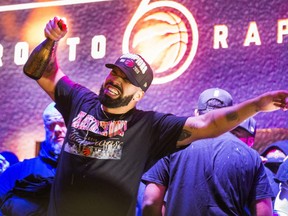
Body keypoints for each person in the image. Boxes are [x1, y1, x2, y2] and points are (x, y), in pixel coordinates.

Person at [23, 16, 288, 216]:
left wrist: (257, 104)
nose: (114, 79)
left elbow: (209, 123)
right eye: (114, 72)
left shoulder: (149, 127)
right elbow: (41, 71)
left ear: (139, 94)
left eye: (125, 79)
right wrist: (51, 40)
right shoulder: (80, 101)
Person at [141, 88, 274, 216]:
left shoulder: (170, 145)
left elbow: (151, 201)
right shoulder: (250, 155)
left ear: (196, 113)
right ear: (228, 115)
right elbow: (263, 211)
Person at [0, 102, 66, 216]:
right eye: (51, 124)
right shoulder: (17, 172)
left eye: (62, 123)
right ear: (45, 128)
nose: (56, 129)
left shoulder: (87, 172)